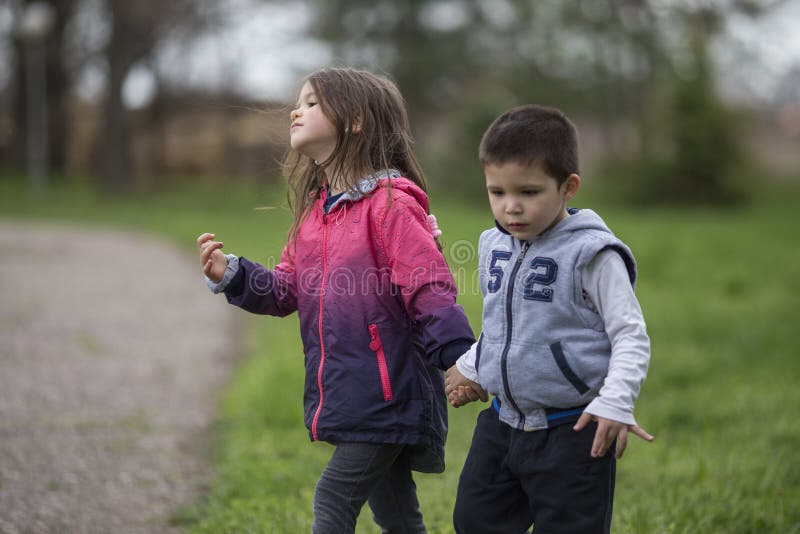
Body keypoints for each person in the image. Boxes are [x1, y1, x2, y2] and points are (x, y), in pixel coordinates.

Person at [196, 67, 474, 534]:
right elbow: (287, 289)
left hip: (389, 393)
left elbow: (428, 287)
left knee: (332, 500)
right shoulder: (315, 214)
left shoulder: (391, 206)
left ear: (356, 120)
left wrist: (461, 359)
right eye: (298, 102)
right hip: (351, 392)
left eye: (310, 103)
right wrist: (235, 275)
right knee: (398, 517)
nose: (294, 110)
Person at [444, 104, 653, 534]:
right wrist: (472, 369)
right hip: (501, 426)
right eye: (497, 192)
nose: (511, 208)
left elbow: (630, 334)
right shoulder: (493, 245)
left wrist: (615, 401)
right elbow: (503, 324)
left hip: (573, 432)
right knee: (473, 521)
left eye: (529, 192)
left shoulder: (593, 254)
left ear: (568, 186)